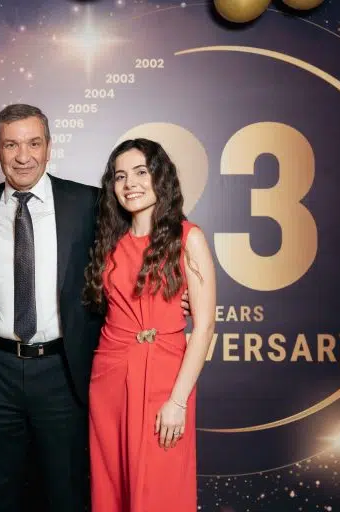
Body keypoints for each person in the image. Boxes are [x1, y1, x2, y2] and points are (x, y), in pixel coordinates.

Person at [0, 104, 102, 511]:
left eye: (34, 143)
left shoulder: (87, 202)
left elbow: (130, 257)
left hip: (61, 371)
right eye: (11, 145)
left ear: (49, 147)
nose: (23, 156)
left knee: (65, 490)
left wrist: (172, 288)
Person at [83, 138, 216, 512]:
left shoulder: (188, 238)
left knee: (159, 488)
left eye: (141, 172)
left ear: (160, 176)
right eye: (120, 176)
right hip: (109, 377)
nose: (130, 184)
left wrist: (178, 401)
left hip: (165, 379)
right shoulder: (109, 243)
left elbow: (205, 327)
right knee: (112, 487)